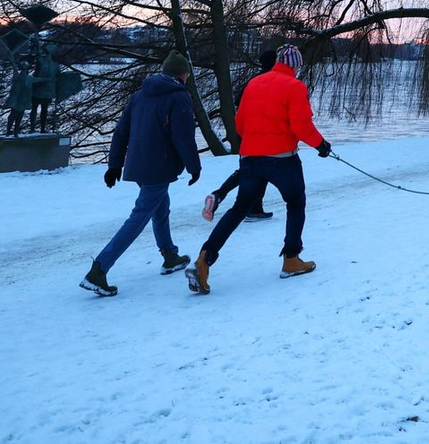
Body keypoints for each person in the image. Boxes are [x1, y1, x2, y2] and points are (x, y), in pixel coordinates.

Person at [186, 43, 331, 295]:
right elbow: (301, 126)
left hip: (250, 157)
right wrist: (321, 145)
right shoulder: (295, 86)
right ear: (295, 65)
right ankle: (291, 258)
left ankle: (204, 259)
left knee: (239, 208)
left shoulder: (254, 83)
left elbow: (239, 124)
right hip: (282, 159)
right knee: (295, 203)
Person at [80, 50, 201, 297]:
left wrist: (115, 165)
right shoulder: (179, 97)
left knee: (160, 206)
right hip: (160, 166)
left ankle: (169, 255)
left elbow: (121, 132)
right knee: (139, 217)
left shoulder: (139, 95)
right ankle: (99, 269)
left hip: (138, 165)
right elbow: (184, 136)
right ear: (182, 74)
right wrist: (194, 166)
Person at [202, 48, 278, 223]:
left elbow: (238, 103)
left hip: (246, 133)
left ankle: (219, 196)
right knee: (260, 170)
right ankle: (253, 209)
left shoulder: (253, 81)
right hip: (262, 134)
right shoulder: (273, 81)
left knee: (248, 170)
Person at [4, 57, 33, 136]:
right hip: (17, 101)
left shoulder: (29, 79)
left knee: (18, 117)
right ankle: (9, 132)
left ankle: (15, 132)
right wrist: (12, 61)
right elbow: (14, 69)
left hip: (22, 101)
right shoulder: (17, 76)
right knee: (12, 117)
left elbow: (39, 79)